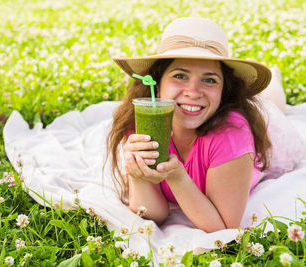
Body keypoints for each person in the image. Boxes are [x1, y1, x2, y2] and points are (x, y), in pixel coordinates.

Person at [108, 17, 286, 233]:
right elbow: (154, 213)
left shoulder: (231, 135)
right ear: (157, 81)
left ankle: (275, 78)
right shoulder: (144, 121)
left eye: (209, 80)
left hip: (252, 143)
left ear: (224, 90)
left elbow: (223, 227)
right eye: (180, 76)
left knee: (272, 106)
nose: (193, 92)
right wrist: (137, 175)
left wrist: (177, 177)